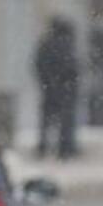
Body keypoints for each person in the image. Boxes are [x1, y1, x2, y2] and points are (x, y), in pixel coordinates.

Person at [33, 15, 80, 159]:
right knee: (66, 121)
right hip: (64, 88)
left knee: (47, 121)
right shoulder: (66, 45)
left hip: (50, 88)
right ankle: (65, 149)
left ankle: (43, 148)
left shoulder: (46, 44)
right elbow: (72, 67)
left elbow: (38, 64)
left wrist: (47, 82)